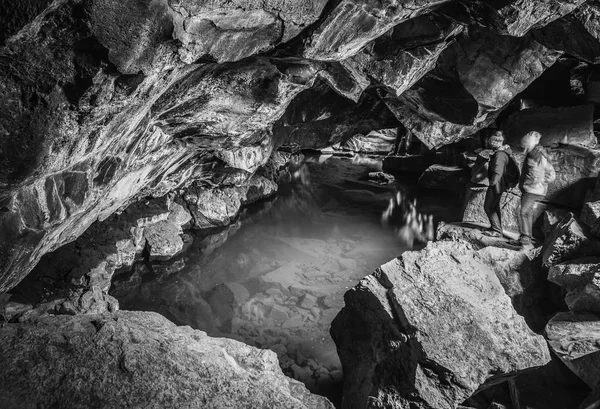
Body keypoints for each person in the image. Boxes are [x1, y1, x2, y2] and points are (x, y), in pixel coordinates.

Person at [509, 131, 556, 248]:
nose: (523, 147)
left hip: (533, 190)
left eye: (525, 144)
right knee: (526, 212)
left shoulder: (537, 154)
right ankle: (526, 238)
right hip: (531, 188)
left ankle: (525, 239)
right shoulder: (534, 152)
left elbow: (548, 173)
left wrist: (538, 183)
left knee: (522, 211)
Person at [482, 131, 516, 238]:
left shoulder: (500, 155)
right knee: (494, 206)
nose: (490, 142)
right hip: (500, 184)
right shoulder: (502, 152)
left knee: (488, 207)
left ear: (497, 142)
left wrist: (492, 183)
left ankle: (496, 230)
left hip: (497, 184)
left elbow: (498, 171)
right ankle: (496, 227)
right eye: (491, 140)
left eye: (492, 141)